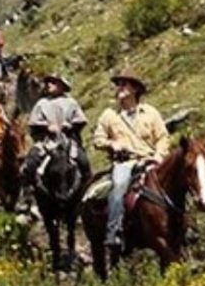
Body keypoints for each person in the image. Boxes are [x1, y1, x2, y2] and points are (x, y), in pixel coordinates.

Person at [92, 68, 170, 254]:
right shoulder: (109, 115)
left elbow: (163, 137)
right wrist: (112, 144)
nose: (119, 88)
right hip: (125, 162)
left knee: (174, 182)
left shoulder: (150, 112)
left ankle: (187, 225)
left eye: (123, 84)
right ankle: (114, 231)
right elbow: (98, 140)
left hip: (150, 159)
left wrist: (159, 155)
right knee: (119, 185)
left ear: (135, 89)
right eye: (118, 85)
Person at [21, 72, 90, 194]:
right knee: (30, 162)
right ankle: (28, 195)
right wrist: (47, 127)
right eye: (48, 82)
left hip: (68, 141)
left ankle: (85, 192)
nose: (49, 85)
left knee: (83, 161)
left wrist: (70, 126)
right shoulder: (42, 103)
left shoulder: (71, 102)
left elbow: (81, 121)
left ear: (61, 85)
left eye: (53, 82)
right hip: (47, 142)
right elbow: (33, 124)